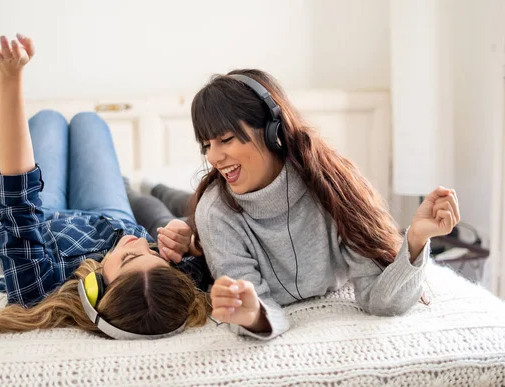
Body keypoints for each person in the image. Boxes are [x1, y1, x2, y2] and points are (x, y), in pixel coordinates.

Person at [0, 34, 209, 343]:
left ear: (96, 288)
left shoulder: (39, 287)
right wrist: (193, 243)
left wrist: (10, 77)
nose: (140, 244)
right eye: (154, 255)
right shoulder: (167, 284)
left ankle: (120, 182)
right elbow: (214, 246)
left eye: (130, 258)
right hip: (112, 215)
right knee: (89, 121)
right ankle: (128, 186)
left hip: (45, 217)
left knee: (48, 120)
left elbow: (18, 197)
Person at [190, 69, 461, 340]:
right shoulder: (215, 213)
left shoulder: (332, 184)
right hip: (195, 214)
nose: (214, 157)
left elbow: (379, 300)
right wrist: (253, 315)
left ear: (272, 130)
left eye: (225, 140)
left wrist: (415, 239)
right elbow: (255, 304)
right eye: (206, 146)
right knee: (166, 215)